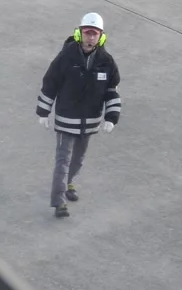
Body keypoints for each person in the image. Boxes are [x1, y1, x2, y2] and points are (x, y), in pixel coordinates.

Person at [36, 12, 121, 218]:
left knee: (78, 159)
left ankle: (68, 183)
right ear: (79, 33)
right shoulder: (66, 57)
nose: (90, 37)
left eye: (94, 33)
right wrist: (43, 112)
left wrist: (111, 117)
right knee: (63, 160)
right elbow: (50, 83)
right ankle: (59, 202)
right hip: (67, 119)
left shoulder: (106, 61)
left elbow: (112, 90)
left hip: (90, 121)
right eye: (87, 32)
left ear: (101, 36)